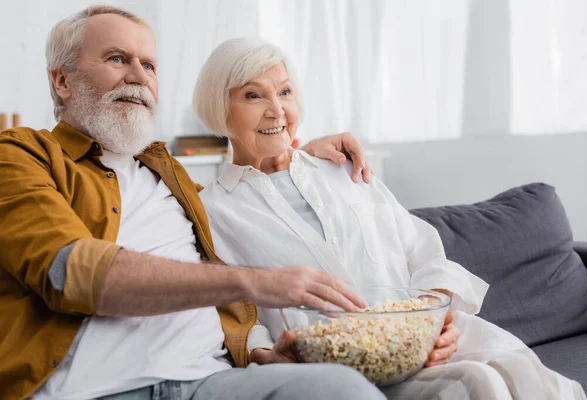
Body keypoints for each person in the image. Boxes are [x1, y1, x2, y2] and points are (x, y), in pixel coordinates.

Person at [0, 6, 389, 400]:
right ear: (63, 80)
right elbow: (70, 272)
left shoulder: (171, 176)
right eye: (117, 59)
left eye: (149, 65)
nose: (138, 76)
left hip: (211, 383)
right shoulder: (21, 156)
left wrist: (299, 156)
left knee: (343, 389)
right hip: (91, 390)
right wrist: (255, 282)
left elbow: (236, 214)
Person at [196, 37, 587, 400]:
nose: (276, 109)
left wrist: (441, 315)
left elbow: (422, 250)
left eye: (285, 92)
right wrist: (267, 354)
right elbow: (232, 311)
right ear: (220, 109)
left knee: (525, 378)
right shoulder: (214, 211)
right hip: (337, 370)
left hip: (425, 345)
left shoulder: (343, 170)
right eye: (253, 95)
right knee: (477, 383)